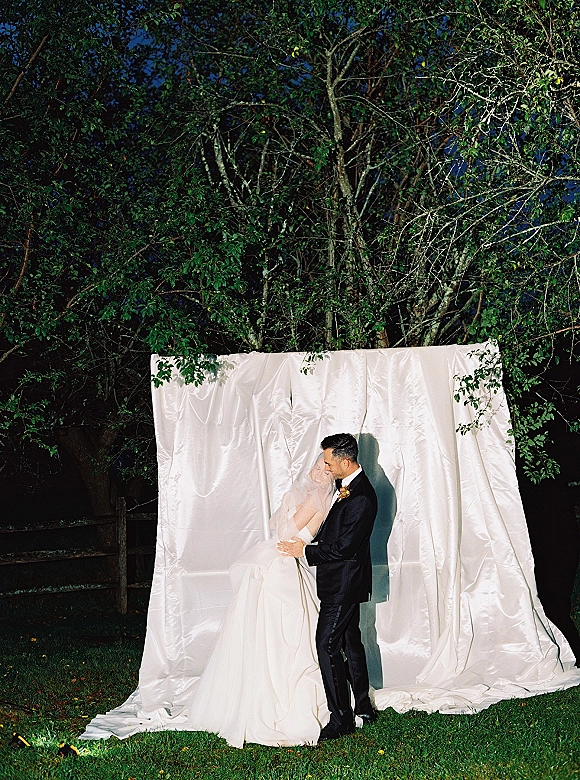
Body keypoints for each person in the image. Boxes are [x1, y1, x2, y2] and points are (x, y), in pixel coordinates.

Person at [183, 458, 334, 748]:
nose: (317, 473)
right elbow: (273, 523)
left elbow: (282, 532)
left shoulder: (316, 498)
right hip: (279, 561)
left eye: (325, 471)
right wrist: (289, 505)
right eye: (316, 467)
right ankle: (251, 690)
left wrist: (290, 503)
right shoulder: (311, 496)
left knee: (283, 633)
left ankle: (278, 701)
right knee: (262, 630)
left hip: (283, 564)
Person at [278, 433, 378, 741]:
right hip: (341, 581)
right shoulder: (346, 487)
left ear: (345, 462)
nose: (325, 467)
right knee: (350, 642)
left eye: (329, 462)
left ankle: (341, 719)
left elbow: (346, 547)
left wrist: (305, 551)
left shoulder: (361, 497)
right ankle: (363, 707)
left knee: (327, 645)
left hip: (344, 584)